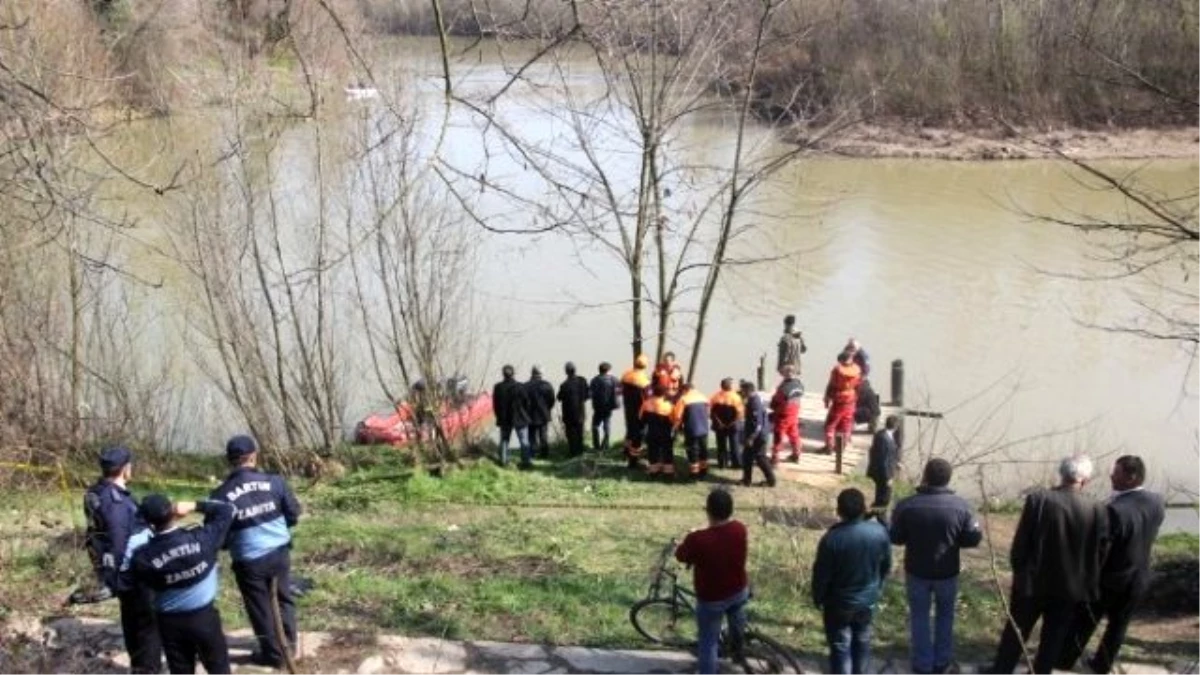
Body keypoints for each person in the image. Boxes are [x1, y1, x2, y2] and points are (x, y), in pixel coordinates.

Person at [984, 455, 1108, 675]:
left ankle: (1001, 671)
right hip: (1069, 586)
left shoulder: (1039, 499)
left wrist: (1019, 571)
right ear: (1085, 480)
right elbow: (1099, 552)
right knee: (1053, 638)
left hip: (1032, 583)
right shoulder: (1097, 508)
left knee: (1015, 634)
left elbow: (1021, 542)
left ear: (1062, 474)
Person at [1057, 456, 1165, 675]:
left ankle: (1063, 662)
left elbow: (1100, 549)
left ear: (1131, 477)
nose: (1111, 476)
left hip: (1109, 579)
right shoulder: (1156, 502)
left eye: (1117, 473)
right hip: (1139, 576)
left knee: (1084, 622)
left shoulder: (1115, 510)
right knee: (1118, 626)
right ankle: (1102, 665)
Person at [210, 435, 302, 669]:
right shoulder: (275, 481)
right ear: (253, 455)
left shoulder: (219, 495)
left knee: (259, 608)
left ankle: (273, 655)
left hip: (248, 561)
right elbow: (293, 513)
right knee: (284, 598)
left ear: (230, 460)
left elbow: (217, 538)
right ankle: (290, 646)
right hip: (279, 553)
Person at [889, 459, 983, 675]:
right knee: (945, 616)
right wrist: (956, 539)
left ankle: (922, 664)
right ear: (948, 479)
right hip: (947, 572)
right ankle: (942, 662)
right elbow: (973, 538)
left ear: (925, 476)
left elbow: (896, 537)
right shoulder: (962, 506)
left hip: (916, 572)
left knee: (919, 617)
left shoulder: (907, 505)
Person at [128, 494, 236, 675]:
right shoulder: (202, 539)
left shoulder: (142, 558)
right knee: (219, 668)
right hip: (205, 618)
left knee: (181, 670)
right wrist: (194, 505)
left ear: (147, 522)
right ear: (173, 512)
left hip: (170, 623)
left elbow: (142, 584)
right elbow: (227, 510)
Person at [83, 446, 162, 674]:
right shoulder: (116, 502)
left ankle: (139, 667)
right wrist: (114, 578)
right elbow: (118, 542)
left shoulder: (98, 492)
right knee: (146, 627)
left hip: (124, 573)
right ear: (125, 468)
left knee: (132, 622)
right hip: (134, 574)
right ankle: (146, 669)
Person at [812, 488, 892, 675]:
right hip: (867, 601)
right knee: (863, 640)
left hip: (838, 604)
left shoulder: (831, 539)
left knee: (840, 646)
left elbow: (821, 576)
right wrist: (878, 588)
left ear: (839, 511)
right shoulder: (879, 533)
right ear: (864, 508)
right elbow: (886, 565)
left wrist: (818, 597)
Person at [674, 489, 749, 675]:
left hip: (712, 599)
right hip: (738, 590)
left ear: (707, 511)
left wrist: (690, 537)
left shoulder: (697, 539)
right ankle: (738, 649)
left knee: (708, 643)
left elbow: (681, 555)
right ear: (731, 510)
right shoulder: (739, 528)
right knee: (737, 617)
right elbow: (721, 536)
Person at [492, 364, 532, 468]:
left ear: (503, 374)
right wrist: (525, 413)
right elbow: (527, 402)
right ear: (513, 374)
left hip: (504, 418)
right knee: (524, 441)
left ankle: (503, 461)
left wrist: (498, 416)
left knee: (504, 440)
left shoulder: (498, 387)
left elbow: (495, 405)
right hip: (520, 417)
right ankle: (526, 462)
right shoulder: (520, 386)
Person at [823, 351, 862, 454]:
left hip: (839, 400)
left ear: (841, 360)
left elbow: (831, 384)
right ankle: (842, 446)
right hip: (851, 399)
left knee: (830, 425)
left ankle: (829, 447)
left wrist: (827, 398)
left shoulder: (837, 370)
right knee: (846, 424)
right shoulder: (857, 370)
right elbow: (858, 385)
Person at [738, 380, 775, 488]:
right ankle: (746, 480)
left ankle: (771, 481)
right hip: (757, 434)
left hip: (758, 436)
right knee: (747, 457)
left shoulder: (754, 403)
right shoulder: (754, 398)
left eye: (743, 391)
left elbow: (757, 424)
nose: (742, 393)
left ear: (748, 391)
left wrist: (751, 438)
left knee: (760, 458)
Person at [672, 383, 711, 478]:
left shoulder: (684, 399)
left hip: (691, 428)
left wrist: (677, 428)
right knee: (703, 449)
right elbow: (708, 412)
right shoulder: (703, 397)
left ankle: (694, 473)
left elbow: (678, 416)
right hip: (704, 428)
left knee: (692, 449)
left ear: (685, 390)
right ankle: (704, 471)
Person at [620, 355, 652, 468]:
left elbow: (620, 388)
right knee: (638, 435)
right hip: (639, 411)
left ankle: (625, 451)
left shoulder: (626, 374)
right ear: (645, 366)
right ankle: (633, 461)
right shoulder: (644, 381)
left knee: (630, 430)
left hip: (628, 408)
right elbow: (648, 398)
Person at [865, 415, 901, 516]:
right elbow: (882, 460)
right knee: (884, 499)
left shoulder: (882, 434)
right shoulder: (883, 438)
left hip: (881, 472)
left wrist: (896, 462)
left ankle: (871, 516)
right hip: (882, 474)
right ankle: (873, 518)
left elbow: (888, 454)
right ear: (896, 426)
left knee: (881, 498)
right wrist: (888, 478)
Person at [769, 365, 804, 464]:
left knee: (778, 436)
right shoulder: (799, 384)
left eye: (784, 372)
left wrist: (773, 406)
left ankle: (775, 458)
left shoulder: (784, 387)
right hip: (794, 412)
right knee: (794, 434)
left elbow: (776, 400)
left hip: (783, 414)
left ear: (786, 373)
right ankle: (796, 454)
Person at [641, 384, 676, 477]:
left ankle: (653, 471)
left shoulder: (646, 403)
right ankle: (668, 472)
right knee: (667, 450)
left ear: (653, 393)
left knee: (653, 451)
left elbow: (641, 418)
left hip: (652, 431)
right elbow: (673, 420)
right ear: (664, 394)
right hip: (665, 432)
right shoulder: (668, 405)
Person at [709, 378, 744, 470]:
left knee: (721, 445)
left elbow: (711, 411)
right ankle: (736, 464)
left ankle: (722, 464)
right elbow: (740, 413)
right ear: (730, 386)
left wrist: (719, 422)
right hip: (733, 425)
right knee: (734, 444)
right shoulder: (736, 397)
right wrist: (732, 423)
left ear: (721, 386)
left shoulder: (715, 396)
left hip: (719, 425)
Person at [557, 361, 591, 457]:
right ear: (575, 370)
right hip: (580, 412)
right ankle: (580, 451)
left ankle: (573, 453)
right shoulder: (582, 381)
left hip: (568, 414)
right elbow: (588, 395)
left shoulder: (564, 385)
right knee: (580, 432)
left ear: (566, 372)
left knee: (571, 434)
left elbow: (559, 398)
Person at [525, 366, 555, 459]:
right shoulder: (547, 385)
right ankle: (544, 454)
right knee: (543, 435)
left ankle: (533, 453)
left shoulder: (525, 386)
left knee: (531, 435)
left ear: (532, 373)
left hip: (530, 414)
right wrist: (547, 409)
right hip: (544, 415)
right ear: (541, 374)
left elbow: (523, 401)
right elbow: (552, 400)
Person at [589, 362, 620, 451]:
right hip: (609, 406)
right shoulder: (614, 380)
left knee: (595, 426)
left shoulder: (594, 380)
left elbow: (590, 394)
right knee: (607, 425)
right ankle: (605, 445)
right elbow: (619, 392)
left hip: (598, 407)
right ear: (609, 370)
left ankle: (596, 446)